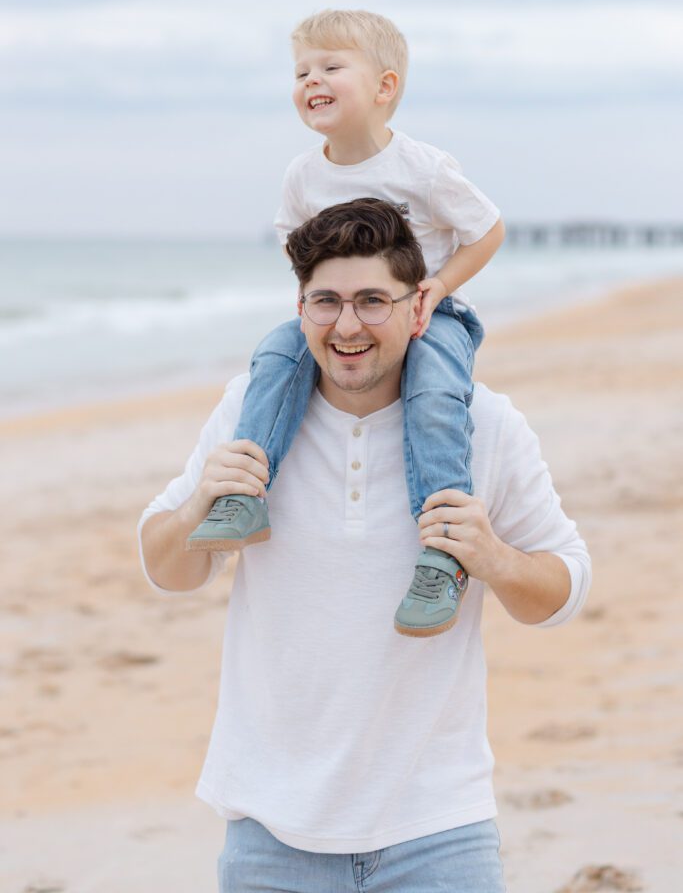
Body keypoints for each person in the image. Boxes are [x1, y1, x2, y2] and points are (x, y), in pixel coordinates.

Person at [138, 200, 591, 893]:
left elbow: (565, 591)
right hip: (269, 829)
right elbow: (166, 569)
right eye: (326, 301)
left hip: (438, 829)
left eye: (372, 301)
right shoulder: (246, 412)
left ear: (419, 310)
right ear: (299, 309)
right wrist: (200, 499)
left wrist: (493, 558)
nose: (347, 326)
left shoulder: (486, 423)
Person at [187, 9, 506, 637]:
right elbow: (293, 245)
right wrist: (312, 303)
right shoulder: (304, 175)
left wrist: (436, 288)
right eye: (302, 70)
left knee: (437, 398)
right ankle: (245, 496)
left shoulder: (423, 168)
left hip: (426, 314)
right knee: (274, 360)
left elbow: (487, 229)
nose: (312, 79)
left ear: (384, 88)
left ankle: (442, 554)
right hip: (336, 314)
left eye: (331, 66)